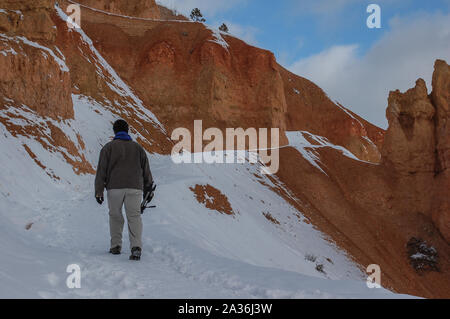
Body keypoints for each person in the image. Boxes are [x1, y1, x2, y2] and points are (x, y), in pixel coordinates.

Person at [94, 119, 153, 261]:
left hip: (114, 188)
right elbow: (146, 170)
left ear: (115, 131)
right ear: (127, 131)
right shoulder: (138, 148)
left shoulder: (108, 148)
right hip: (135, 187)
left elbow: (101, 171)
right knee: (134, 216)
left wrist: (99, 191)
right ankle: (136, 247)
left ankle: (115, 246)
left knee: (115, 216)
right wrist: (148, 189)